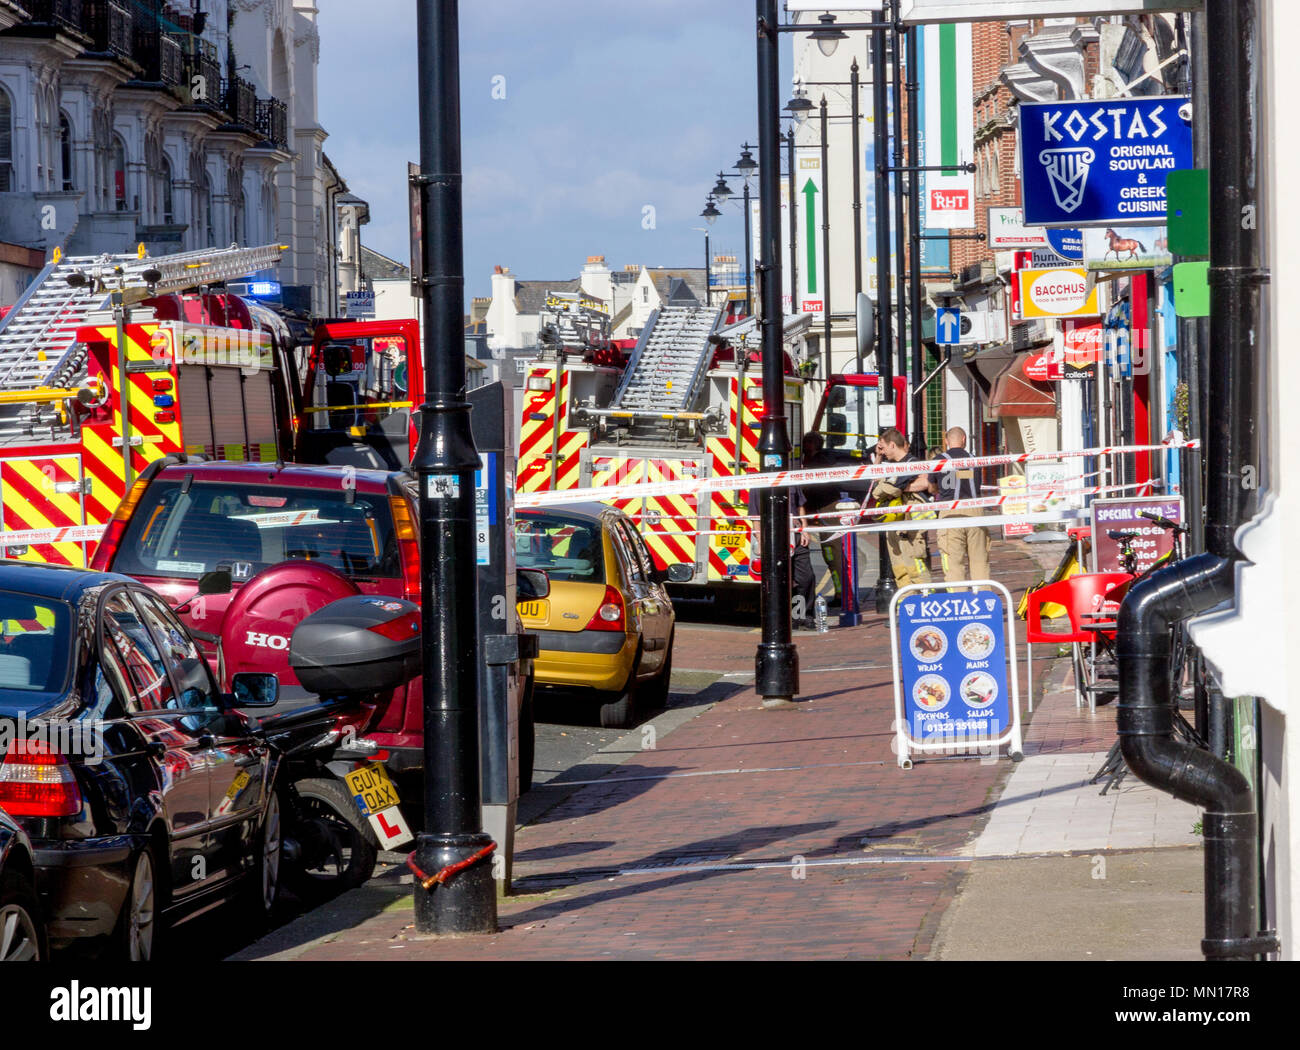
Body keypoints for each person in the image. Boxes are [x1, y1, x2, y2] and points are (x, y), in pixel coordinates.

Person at [748, 483, 817, 630]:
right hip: (774, 538)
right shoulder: (757, 486)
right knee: (782, 580)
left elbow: (800, 507)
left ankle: (805, 615)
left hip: (796, 535)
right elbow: (755, 517)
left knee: (807, 577)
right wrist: (761, 541)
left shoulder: (790, 481)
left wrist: (804, 530)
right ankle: (788, 617)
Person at [870, 428, 932, 588]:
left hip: (910, 522)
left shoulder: (912, 463)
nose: (882, 450)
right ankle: (906, 603)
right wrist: (878, 456)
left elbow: (925, 483)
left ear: (892, 445)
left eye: (882, 447)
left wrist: (897, 488)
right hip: (894, 522)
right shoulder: (889, 465)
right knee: (899, 568)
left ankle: (925, 600)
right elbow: (874, 483)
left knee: (915, 564)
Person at [928, 426, 990, 585]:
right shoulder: (974, 459)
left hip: (950, 511)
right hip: (975, 509)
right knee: (979, 561)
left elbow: (931, 488)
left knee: (954, 563)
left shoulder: (939, 460)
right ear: (964, 440)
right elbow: (970, 480)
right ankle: (984, 601)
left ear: (946, 441)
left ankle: (959, 600)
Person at [800, 431, 845, 607]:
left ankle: (842, 595)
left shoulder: (819, 462)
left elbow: (810, 489)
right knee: (830, 556)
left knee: (833, 555)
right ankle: (840, 593)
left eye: (806, 443)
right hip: (821, 514)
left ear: (813, 445)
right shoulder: (816, 460)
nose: (803, 447)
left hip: (827, 514)